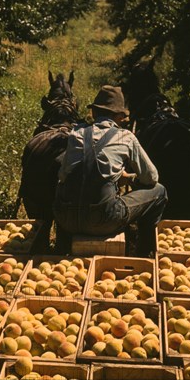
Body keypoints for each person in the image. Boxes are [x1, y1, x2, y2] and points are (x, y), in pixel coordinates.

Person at [53, 85, 167, 256]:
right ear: (120, 116)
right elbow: (151, 177)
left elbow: (63, 175)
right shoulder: (125, 136)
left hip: (66, 219)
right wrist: (129, 179)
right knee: (159, 191)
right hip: (103, 221)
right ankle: (143, 251)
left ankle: (60, 248)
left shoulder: (76, 133)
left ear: (93, 113)